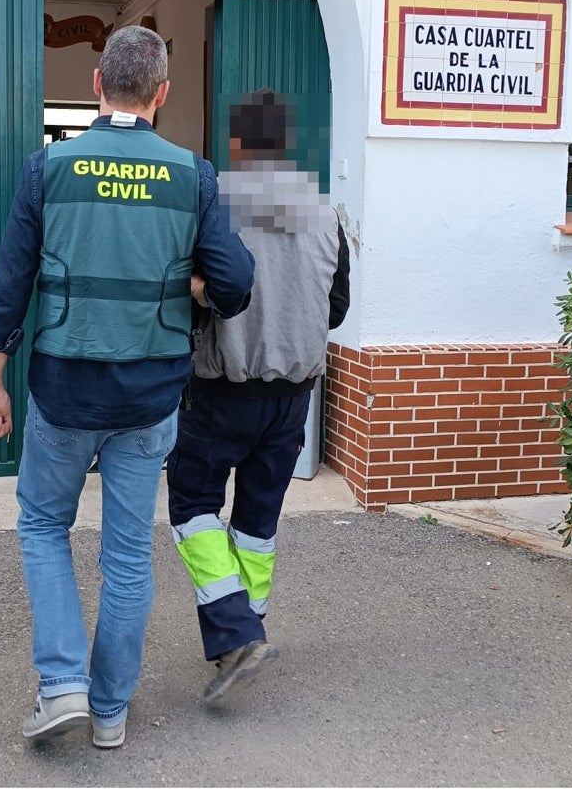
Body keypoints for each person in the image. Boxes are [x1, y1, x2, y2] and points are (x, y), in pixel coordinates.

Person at [0, 26, 254, 749]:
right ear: (162, 94)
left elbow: (10, 288)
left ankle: (62, 684)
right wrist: (187, 285)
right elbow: (235, 285)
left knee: (42, 526)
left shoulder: (48, 169)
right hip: (152, 397)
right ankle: (109, 713)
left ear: (98, 85)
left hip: (65, 391)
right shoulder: (193, 175)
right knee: (127, 551)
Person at [166, 88, 351, 703]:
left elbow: (192, 292)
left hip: (221, 390)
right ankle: (245, 632)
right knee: (258, 521)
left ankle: (238, 633)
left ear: (239, 145)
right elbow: (338, 309)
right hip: (293, 397)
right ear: (288, 143)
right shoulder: (328, 214)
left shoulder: (216, 204)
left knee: (193, 507)